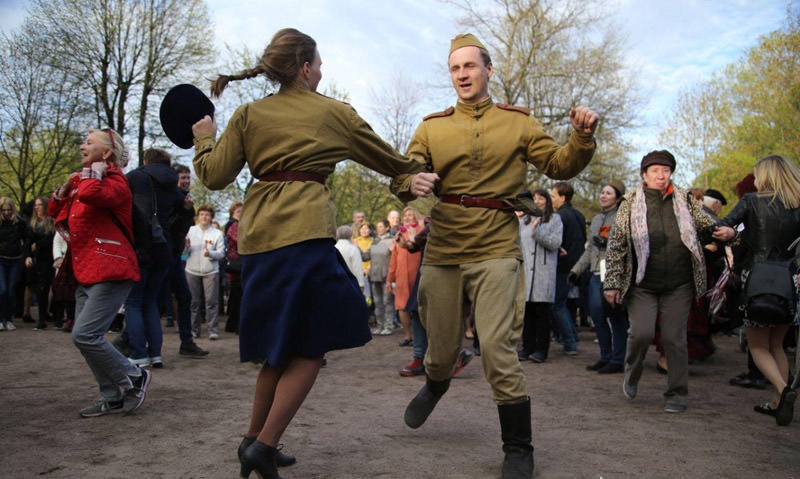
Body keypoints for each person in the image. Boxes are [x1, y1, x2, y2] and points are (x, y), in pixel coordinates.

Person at [190, 28, 428, 478]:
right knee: (313, 347)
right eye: (318, 64)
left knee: (279, 349)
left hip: (260, 241)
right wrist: (417, 175)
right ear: (304, 67)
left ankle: (252, 441)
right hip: (305, 236)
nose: (322, 71)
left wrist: (205, 136)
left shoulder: (247, 114)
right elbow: (388, 159)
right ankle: (264, 445)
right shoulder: (333, 113)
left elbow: (214, 175)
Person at [393, 33, 597, 478]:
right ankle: (436, 381)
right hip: (445, 246)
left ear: (488, 69)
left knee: (498, 349)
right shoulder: (432, 126)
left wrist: (581, 137)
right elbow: (405, 173)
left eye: (470, 66)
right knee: (441, 348)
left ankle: (519, 449)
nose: (462, 74)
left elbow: (560, 165)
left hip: (497, 248)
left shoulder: (518, 122)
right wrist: (411, 183)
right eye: (454, 68)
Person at [603, 150, 719, 414]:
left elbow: (707, 223)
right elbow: (617, 244)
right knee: (641, 334)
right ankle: (632, 374)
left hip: (679, 284)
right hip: (642, 283)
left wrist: (725, 231)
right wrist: (611, 282)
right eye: (654, 171)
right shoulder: (630, 203)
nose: (661, 175)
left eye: (665, 171)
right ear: (644, 175)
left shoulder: (685, 200)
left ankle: (677, 393)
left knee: (674, 339)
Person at [48, 128, 150, 417]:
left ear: (106, 153)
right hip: (85, 268)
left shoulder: (116, 181)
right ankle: (112, 396)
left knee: (84, 335)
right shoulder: (84, 180)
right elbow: (58, 212)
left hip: (112, 268)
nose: (82, 146)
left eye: (89, 143)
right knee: (85, 338)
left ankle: (134, 376)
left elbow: (93, 196)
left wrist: (93, 173)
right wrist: (64, 191)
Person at [714, 155, 800, 426]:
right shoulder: (798, 204)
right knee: (777, 344)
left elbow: (722, 226)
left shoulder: (752, 201)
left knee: (758, 345)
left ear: (766, 175)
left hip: (759, 280)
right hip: (790, 282)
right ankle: (777, 401)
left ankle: (784, 391)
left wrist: (733, 235)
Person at [122, 148, 184, 368]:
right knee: (150, 302)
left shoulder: (136, 176)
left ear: (146, 161)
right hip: (164, 247)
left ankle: (138, 353)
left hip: (141, 247)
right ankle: (155, 353)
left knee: (133, 302)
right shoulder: (172, 184)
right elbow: (181, 208)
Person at [571, 180, 628, 374]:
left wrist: (608, 242)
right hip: (596, 273)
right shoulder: (596, 219)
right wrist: (576, 270)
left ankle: (619, 359)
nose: (603, 195)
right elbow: (590, 250)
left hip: (613, 274)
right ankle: (606, 356)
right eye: (602, 192)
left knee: (616, 316)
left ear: (618, 198)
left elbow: (626, 245)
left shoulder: (622, 218)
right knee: (597, 315)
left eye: (608, 193)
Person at [167, 164, 208, 357]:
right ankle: (127, 340)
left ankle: (187, 341)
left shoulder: (186, 201)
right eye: (182, 178)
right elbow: (168, 227)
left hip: (175, 257)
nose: (185, 181)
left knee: (185, 297)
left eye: (187, 178)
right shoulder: (169, 199)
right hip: (163, 257)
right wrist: (185, 210)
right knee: (148, 299)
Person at [517, 189, 562, 364]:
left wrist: (538, 232)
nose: (537, 201)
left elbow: (555, 243)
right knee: (527, 313)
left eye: (541, 198)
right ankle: (527, 347)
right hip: (526, 272)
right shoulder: (524, 221)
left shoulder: (554, 219)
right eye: (534, 198)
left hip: (544, 273)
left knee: (542, 314)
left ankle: (541, 350)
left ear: (547, 201)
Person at [550, 181, 586, 355]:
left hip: (562, 266)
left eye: (553, 196)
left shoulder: (559, 216)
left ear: (562, 197)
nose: (551, 200)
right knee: (563, 304)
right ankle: (572, 337)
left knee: (558, 305)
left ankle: (570, 342)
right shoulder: (578, 215)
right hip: (576, 266)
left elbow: (557, 241)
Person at [184, 204, 226, 340]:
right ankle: (194, 330)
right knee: (193, 302)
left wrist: (211, 253)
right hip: (192, 270)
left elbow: (221, 254)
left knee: (211, 302)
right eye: (202, 214)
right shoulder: (190, 231)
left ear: (211, 217)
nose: (204, 217)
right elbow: (183, 253)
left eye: (207, 215)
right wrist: (186, 247)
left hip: (211, 271)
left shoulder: (217, 234)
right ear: (198, 216)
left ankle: (213, 330)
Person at [387, 206, 424, 347]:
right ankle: (408, 336)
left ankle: (421, 337)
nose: (407, 217)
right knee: (402, 306)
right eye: (405, 215)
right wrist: (390, 279)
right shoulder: (398, 235)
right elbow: (393, 259)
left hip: (418, 273)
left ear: (415, 217)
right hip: (402, 275)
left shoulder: (421, 233)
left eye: (410, 215)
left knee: (419, 305)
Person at [24, 197, 55, 330]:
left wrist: (38, 245)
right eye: (35, 205)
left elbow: (52, 240)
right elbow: (27, 242)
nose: (36, 208)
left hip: (48, 260)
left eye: (40, 205)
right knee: (37, 288)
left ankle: (48, 316)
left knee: (47, 288)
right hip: (36, 260)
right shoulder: (32, 223)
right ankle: (40, 317)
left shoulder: (52, 223)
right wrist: (27, 256)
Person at [0, 197, 28, 331]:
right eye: (4, 210)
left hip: (15, 259)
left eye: (9, 210)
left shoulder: (20, 222)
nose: (6, 213)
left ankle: (9, 319)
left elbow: (27, 238)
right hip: (0, 259)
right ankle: (1, 319)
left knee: (11, 291)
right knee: (2, 290)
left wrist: (26, 253)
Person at [368, 219, 395, 335]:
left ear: (387, 228)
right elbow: (366, 256)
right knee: (378, 302)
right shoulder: (374, 241)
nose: (378, 229)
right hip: (374, 276)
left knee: (387, 301)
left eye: (381, 226)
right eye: (377, 227)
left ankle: (388, 326)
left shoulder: (392, 241)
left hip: (386, 275)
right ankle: (380, 326)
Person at [225, 200, 244, 334]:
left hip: (238, 264)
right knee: (237, 295)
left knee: (236, 295)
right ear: (233, 213)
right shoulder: (234, 225)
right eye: (238, 211)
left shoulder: (238, 224)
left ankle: (233, 324)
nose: (241, 213)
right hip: (237, 264)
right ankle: (235, 324)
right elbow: (240, 240)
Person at [334, 225, 365, 291]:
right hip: (351, 283)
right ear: (350, 235)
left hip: (336, 283)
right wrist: (360, 284)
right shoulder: (353, 249)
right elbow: (357, 268)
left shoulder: (334, 249)